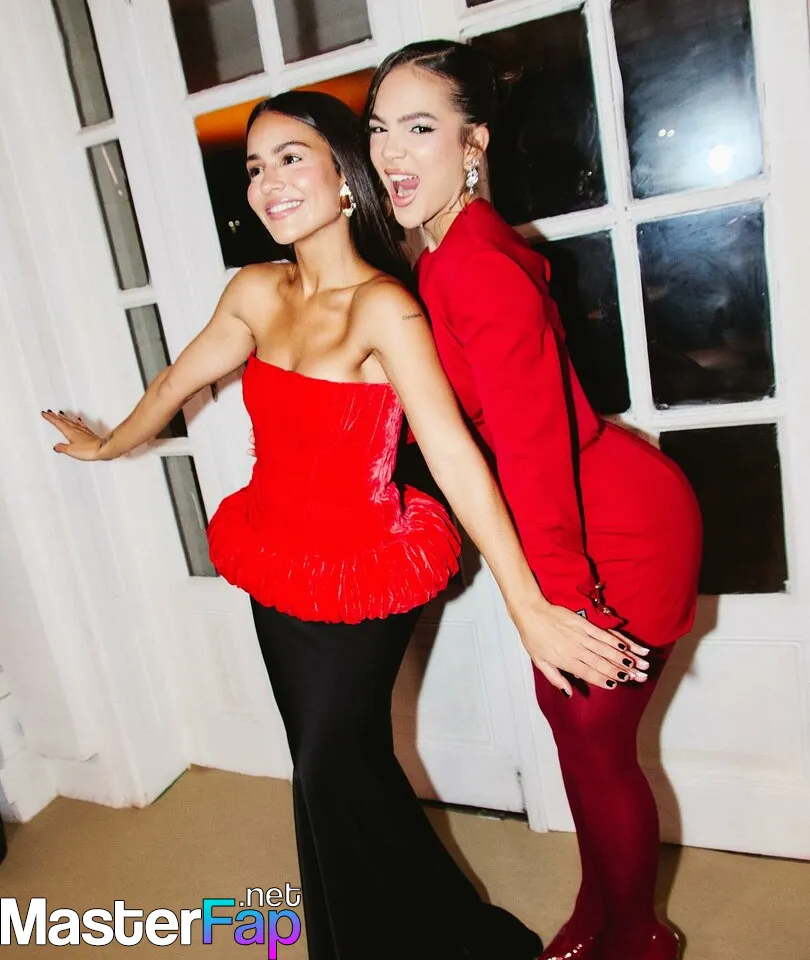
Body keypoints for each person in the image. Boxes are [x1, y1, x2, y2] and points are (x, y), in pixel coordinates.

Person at [41, 91, 646, 960]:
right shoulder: (255, 291)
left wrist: (527, 605)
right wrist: (108, 446)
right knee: (334, 768)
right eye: (255, 167)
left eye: (291, 157)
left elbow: (455, 458)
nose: (268, 182)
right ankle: (434, 930)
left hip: (364, 572)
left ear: (345, 178)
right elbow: (178, 381)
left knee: (330, 764)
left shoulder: (384, 310)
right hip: (274, 559)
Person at [365, 42, 703, 960]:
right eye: (380, 129)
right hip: (571, 513)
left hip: (613, 527)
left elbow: (534, 451)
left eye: (420, 128)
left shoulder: (472, 263)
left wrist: (558, 602)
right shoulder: (441, 251)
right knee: (577, 737)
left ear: (473, 142)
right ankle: (603, 910)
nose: (391, 152)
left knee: (596, 739)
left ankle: (639, 937)